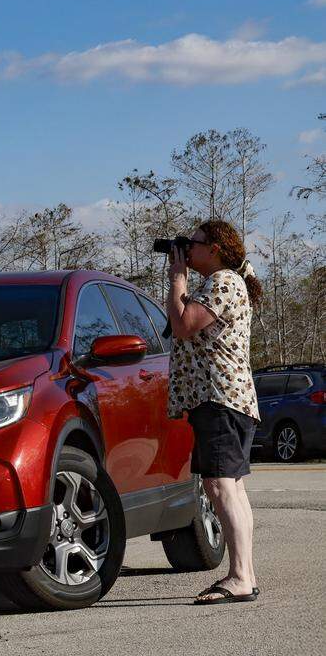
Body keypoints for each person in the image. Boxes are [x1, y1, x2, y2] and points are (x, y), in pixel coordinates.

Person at [165, 219, 263, 605]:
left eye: (195, 242)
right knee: (230, 486)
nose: (189, 248)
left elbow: (183, 325)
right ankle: (246, 574)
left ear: (216, 248)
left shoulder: (223, 282)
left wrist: (177, 278)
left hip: (220, 398)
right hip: (224, 399)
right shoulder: (222, 282)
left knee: (222, 485)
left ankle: (240, 575)